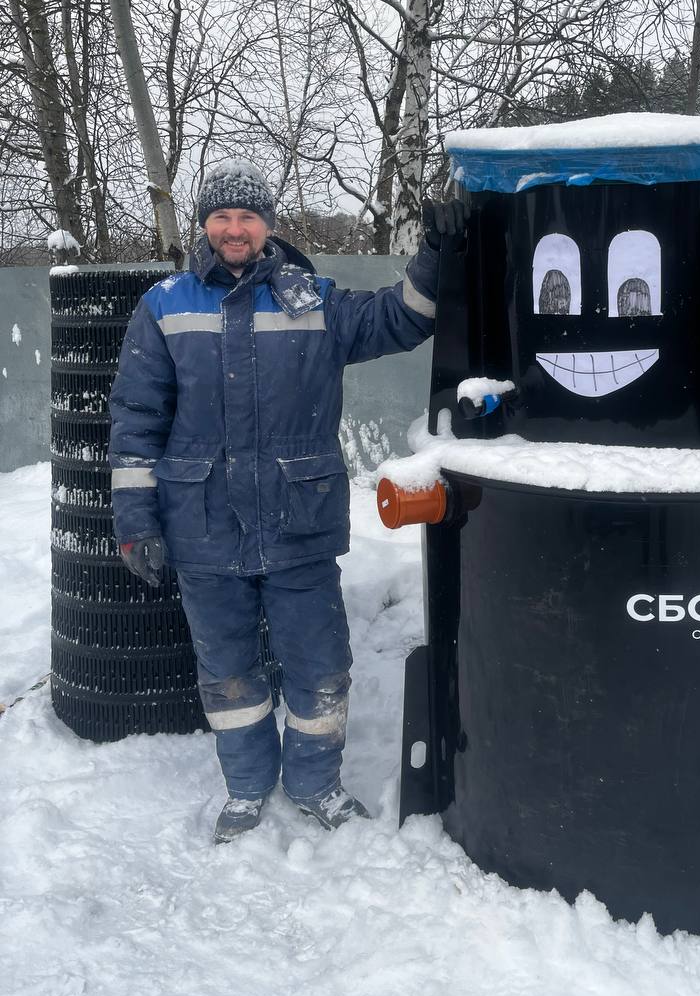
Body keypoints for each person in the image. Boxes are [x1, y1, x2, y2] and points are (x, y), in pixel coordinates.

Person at [108, 159, 459, 844]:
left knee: (321, 667)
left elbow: (402, 317)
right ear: (204, 225)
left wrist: (437, 251)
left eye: (247, 216)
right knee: (227, 672)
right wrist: (134, 523)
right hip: (202, 526)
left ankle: (314, 782)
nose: (234, 228)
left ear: (267, 225)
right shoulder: (166, 305)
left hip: (299, 524)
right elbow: (136, 420)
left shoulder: (313, 300)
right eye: (221, 216)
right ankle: (246, 788)